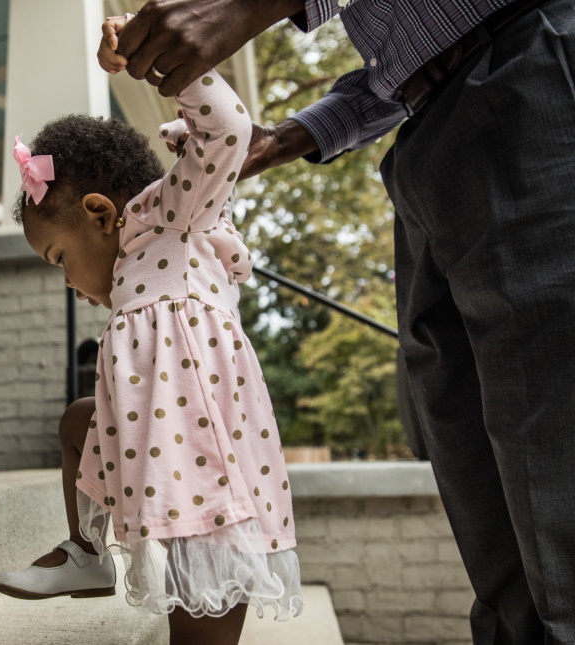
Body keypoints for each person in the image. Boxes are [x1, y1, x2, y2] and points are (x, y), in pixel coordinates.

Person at [107, 1, 575, 643]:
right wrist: (287, 139)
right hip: (427, 128)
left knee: (552, 440)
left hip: (530, 65)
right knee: (474, 460)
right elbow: (390, 72)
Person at [0, 15, 303, 644]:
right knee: (79, 423)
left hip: (199, 448)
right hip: (153, 433)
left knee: (202, 571)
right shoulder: (132, 266)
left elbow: (229, 132)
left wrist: (161, 62)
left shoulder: (173, 216)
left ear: (100, 214)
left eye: (60, 259)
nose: (67, 282)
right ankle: (87, 552)